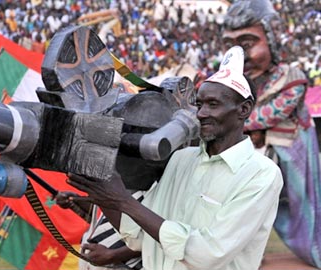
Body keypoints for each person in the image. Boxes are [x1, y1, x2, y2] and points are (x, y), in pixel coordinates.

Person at [66, 46, 283, 270]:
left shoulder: (261, 174)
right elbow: (138, 236)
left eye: (213, 105)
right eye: (199, 104)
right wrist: (102, 190)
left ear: (244, 109)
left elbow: (208, 254)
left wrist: (123, 201)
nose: (201, 113)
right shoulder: (181, 159)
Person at [222, 0, 321, 267]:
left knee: (304, 211)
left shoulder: (292, 76)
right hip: (256, 157)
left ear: (273, 38)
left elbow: (268, 114)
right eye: (230, 47)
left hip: (291, 154)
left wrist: (231, 122)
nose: (241, 56)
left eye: (247, 43)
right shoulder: (238, 84)